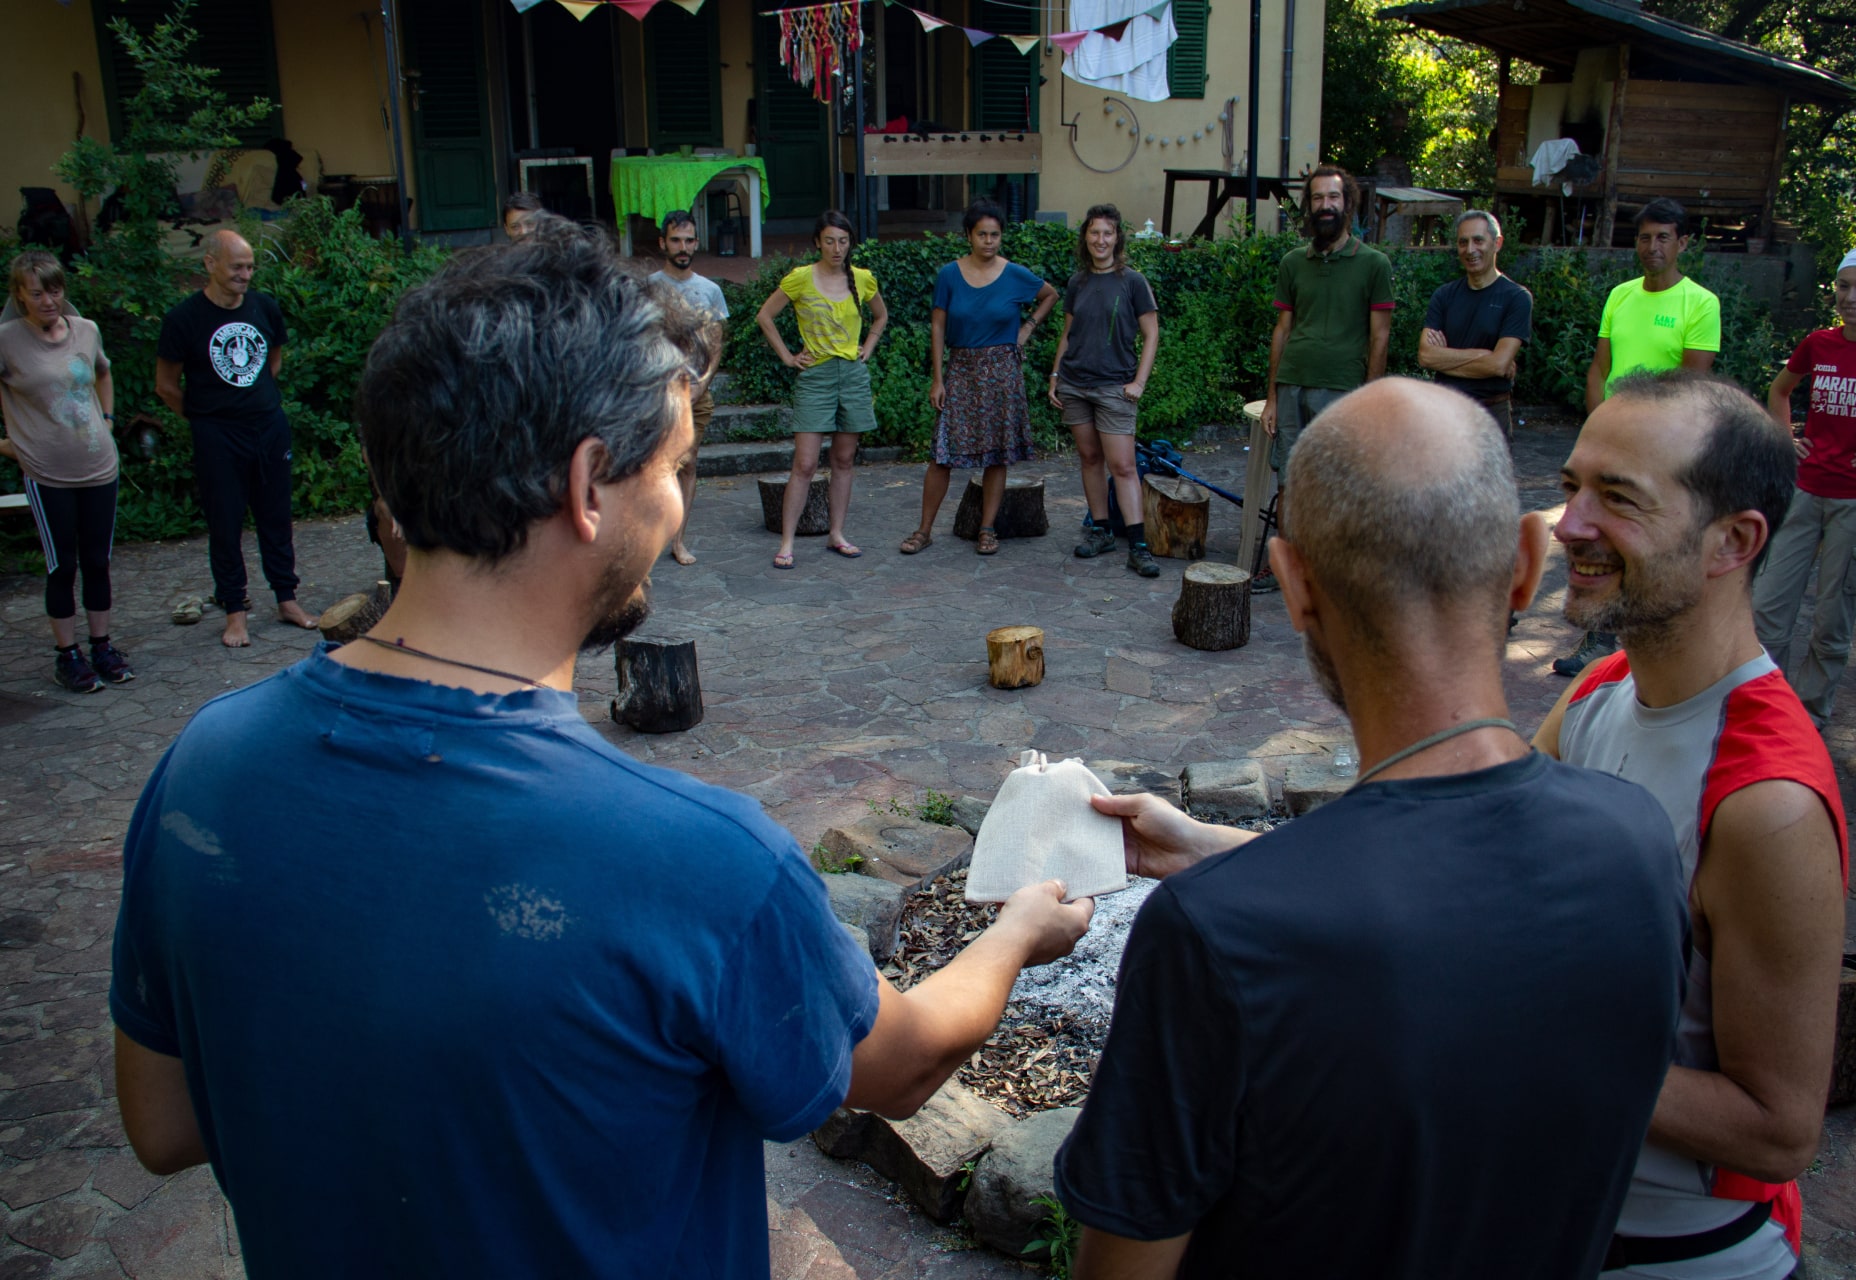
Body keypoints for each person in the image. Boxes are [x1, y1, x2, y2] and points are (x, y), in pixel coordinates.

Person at [109, 222, 1093, 1278]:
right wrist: (1016, 932)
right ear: (588, 486)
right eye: (674, 468)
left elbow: (163, 1124)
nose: (676, 509)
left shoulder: (205, 767)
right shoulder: (700, 860)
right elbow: (899, 1067)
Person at [1055, 378, 1689, 1279]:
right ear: (1525, 564)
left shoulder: (1214, 936)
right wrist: (1217, 853)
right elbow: (1446, 927)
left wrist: (1227, 887)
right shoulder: (1638, 843)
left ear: (1292, 585)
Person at [1536, 372, 1847, 1280]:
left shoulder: (1768, 804)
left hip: (1678, 1250)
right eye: (1571, 488)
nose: (1569, 526)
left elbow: (1779, 1131)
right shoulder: (1601, 689)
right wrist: (1207, 848)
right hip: (1556, 1214)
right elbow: (1469, 851)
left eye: (1618, 498)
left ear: (1733, 541)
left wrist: (1520, 1033)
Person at [1752, 246, 1856, 737]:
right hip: (1803, 494)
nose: (1851, 297)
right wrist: (1785, 438)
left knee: (1832, 621)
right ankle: (1761, 708)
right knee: (1767, 611)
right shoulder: (1818, 343)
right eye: (1844, 286)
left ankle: (1809, 717)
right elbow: (1780, 389)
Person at [1557, 197, 1721, 675]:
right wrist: (1600, 429)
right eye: (1645, 237)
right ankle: (1599, 640)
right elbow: (1599, 367)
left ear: (1682, 243)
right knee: (1601, 537)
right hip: (1612, 444)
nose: (1653, 247)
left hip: (1660, 448)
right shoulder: (1620, 296)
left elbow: (1692, 384)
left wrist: (1649, 441)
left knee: (1648, 540)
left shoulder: (1700, 303)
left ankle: (1653, 642)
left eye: (1663, 237)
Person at [155, 229, 319, 648]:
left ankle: (287, 599)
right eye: (236, 267)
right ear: (210, 264)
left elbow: (272, 362)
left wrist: (252, 401)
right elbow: (166, 385)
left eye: (249, 267)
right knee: (225, 523)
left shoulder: (264, 307)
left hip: (268, 427)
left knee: (276, 517)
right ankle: (235, 611)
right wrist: (206, 418)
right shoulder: (184, 319)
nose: (245, 275)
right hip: (217, 435)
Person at [1252, 164, 1394, 593]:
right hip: (1292, 383)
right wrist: (1272, 397)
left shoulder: (1374, 264)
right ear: (1308, 206)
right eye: (1317, 198)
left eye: (1333, 197)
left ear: (1347, 204)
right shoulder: (1294, 263)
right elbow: (1282, 330)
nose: (1325, 205)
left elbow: (1380, 336)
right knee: (1290, 480)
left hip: (1342, 390)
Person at [0, 251, 131, 692]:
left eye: (54, 291)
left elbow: (103, 373)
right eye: (37, 293)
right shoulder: (7, 340)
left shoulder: (86, 330)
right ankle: (67, 655)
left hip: (98, 467)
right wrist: (9, 444)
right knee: (62, 565)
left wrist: (108, 420)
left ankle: (102, 647)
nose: (48, 301)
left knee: (98, 561)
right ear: (20, 295)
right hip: (47, 473)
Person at [900, 198, 1057, 557]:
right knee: (942, 454)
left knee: (997, 455)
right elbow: (938, 327)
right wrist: (938, 379)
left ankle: (987, 529)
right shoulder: (949, 275)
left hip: (1002, 372)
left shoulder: (1015, 274)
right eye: (982, 234)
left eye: (995, 235)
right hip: (961, 370)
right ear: (968, 235)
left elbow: (1050, 295)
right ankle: (924, 530)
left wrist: (1026, 329)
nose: (988, 241)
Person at [755, 209, 889, 568]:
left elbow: (881, 315)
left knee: (844, 459)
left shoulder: (862, 278)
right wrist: (788, 357)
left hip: (852, 375)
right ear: (817, 242)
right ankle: (787, 542)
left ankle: (837, 533)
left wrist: (869, 346)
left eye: (843, 241)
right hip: (815, 376)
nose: (837, 248)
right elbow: (765, 316)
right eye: (829, 241)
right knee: (805, 462)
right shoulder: (801, 278)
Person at [1047, 203, 1161, 578]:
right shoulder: (1077, 282)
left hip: (1116, 387)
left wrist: (1139, 382)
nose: (1100, 240)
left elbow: (1151, 334)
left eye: (1107, 233)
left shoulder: (1133, 282)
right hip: (1075, 384)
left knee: (1123, 466)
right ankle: (1101, 531)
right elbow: (1068, 334)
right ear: (1085, 237)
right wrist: (1055, 375)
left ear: (1117, 238)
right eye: (1094, 232)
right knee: (1089, 458)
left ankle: (1139, 546)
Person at [647, 209, 728, 566]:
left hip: (696, 393)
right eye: (676, 240)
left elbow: (716, 344)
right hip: (655, 395)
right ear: (663, 243)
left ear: (696, 243)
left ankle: (678, 541)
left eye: (689, 240)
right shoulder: (648, 288)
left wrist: (702, 384)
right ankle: (646, 543)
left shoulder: (710, 291)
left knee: (689, 464)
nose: (683, 247)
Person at [1418, 208, 1533, 439]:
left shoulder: (1517, 298)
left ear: (1497, 243)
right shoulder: (1444, 295)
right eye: (1463, 242)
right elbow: (1426, 356)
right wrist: (1483, 355)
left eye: (1478, 240)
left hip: (1491, 414)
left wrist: (1445, 358)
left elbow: (1498, 365)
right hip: (1446, 413)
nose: (1470, 250)